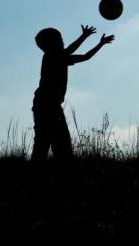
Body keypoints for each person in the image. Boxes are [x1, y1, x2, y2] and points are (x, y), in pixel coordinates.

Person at [32, 25, 114, 161]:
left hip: (52, 105)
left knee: (60, 145)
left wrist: (100, 44)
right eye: (60, 39)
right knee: (44, 142)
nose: (62, 41)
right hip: (46, 104)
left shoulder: (61, 58)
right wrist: (84, 36)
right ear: (51, 44)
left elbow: (86, 57)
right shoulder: (51, 56)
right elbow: (70, 50)